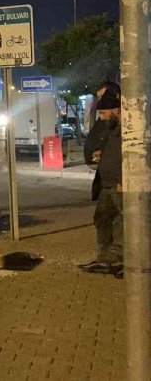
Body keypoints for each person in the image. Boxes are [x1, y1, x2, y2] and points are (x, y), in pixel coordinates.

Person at [79, 91, 124, 278]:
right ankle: (104, 258)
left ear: (116, 110)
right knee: (102, 219)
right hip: (107, 184)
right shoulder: (111, 127)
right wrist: (100, 154)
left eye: (104, 113)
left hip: (120, 185)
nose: (102, 117)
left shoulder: (129, 128)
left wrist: (123, 179)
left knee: (123, 222)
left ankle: (119, 258)